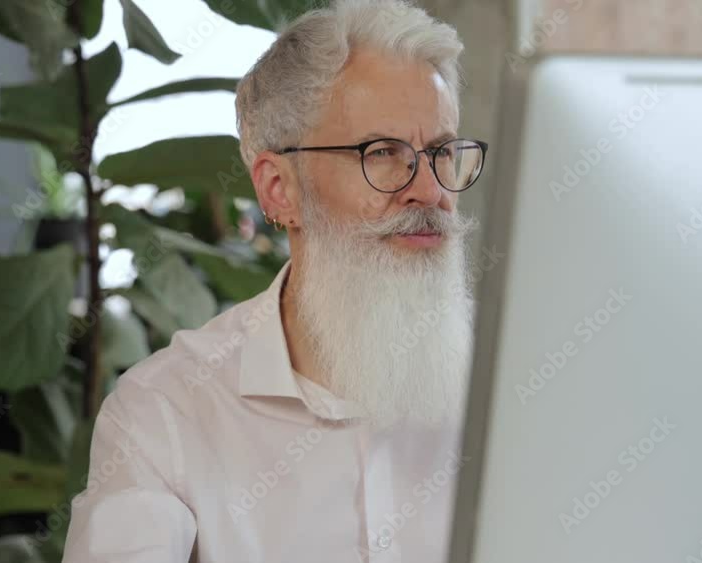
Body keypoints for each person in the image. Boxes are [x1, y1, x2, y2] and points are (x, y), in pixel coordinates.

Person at [62, 0, 491, 561]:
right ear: (279, 189)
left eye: (440, 153)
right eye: (383, 153)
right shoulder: (167, 413)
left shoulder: (517, 382)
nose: (429, 191)